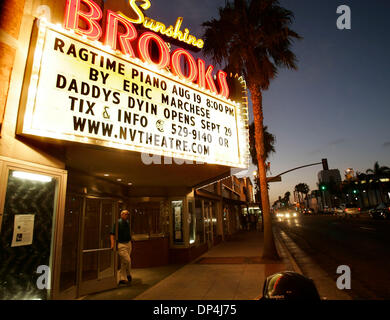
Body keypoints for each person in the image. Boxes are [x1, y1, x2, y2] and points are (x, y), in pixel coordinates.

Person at [110, 209, 132, 285]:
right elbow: (112, 234)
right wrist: (112, 244)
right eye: (125, 214)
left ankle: (122, 278)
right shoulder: (117, 223)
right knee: (128, 260)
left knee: (124, 262)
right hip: (121, 244)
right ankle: (128, 274)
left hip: (128, 243)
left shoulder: (127, 222)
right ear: (121, 215)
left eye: (128, 214)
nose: (127, 216)